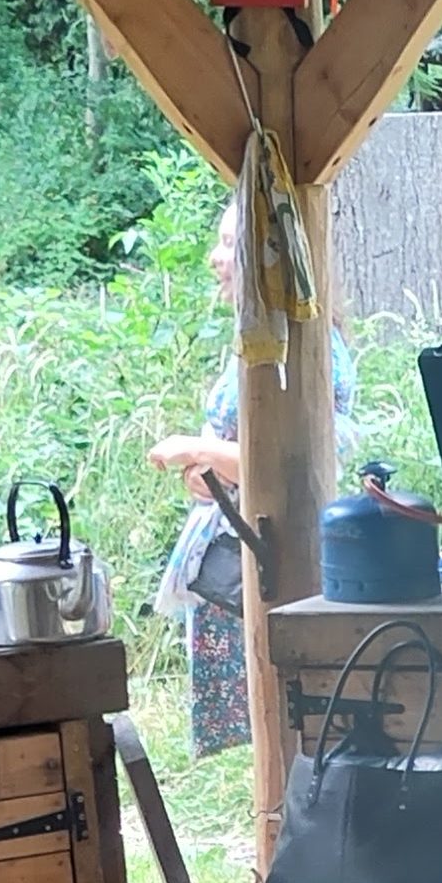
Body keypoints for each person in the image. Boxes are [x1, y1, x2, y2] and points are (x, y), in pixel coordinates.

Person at [145, 197, 359, 757]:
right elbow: (243, 450)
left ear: (268, 260)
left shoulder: (309, 351)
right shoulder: (261, 338)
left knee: (293, 733)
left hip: (280, 557)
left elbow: (302, 466)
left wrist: (200, 449)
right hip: (242, 549)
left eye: (228, 246)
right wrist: (209, 467)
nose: (215, 258)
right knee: (270, 741)